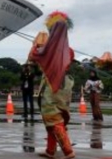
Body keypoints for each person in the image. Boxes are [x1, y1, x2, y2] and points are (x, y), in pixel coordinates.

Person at [31, 12, 76, 159]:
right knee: (53, 118)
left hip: (52, 84)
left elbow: (33, 56)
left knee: (53, 117)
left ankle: (68, 151)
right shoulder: (69, 50)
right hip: (64, 84)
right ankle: (50, 150)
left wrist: (35, 45)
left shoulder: (47, 49)